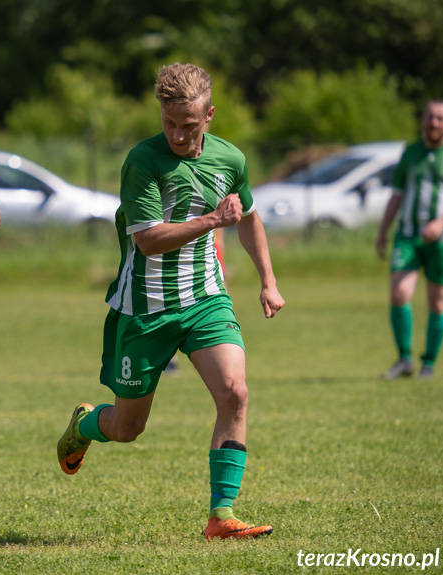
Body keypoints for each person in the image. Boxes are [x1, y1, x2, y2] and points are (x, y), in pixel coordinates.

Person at [56, 62, 284, 540]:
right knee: (127, 428)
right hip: (145, 308)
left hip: (205, 298)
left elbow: (248, 217)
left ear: (210, 116)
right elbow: (149, 241)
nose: (179, 135)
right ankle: (85, 424)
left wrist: (268, 279)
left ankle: (221, 518)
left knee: (235, 393)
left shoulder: (230, 159)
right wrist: (210, 221)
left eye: (189, 125)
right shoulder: (143, 160)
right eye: (170, 123)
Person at [376, 99, 443, 380]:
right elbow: (397, 193)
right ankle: (405, 359)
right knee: (399, 293)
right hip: (407, 236)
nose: (433, 123)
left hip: (442, 240)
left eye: (440, 118)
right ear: (422, 119)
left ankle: (428, 363)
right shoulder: (410, 153)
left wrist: (441, 223)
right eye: (430, 117)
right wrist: (383, 231)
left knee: (438, 301)